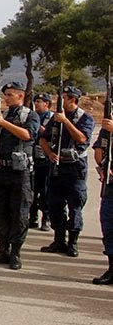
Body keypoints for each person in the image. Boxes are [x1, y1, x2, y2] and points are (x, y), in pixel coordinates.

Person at [0, 81, 40, 270]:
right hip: (1, 170)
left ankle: (15, 252)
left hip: (20, 172)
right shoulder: (2, 115)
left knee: (20, 212)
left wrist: (3, 123)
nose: (6, 98)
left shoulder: (29, 115)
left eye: (9, 95)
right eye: (5, 95)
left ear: (20, 96)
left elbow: (27, 135)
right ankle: (2, 249)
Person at [38, 85, 94, 258]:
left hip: (75, 169)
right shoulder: (55, 118)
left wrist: (66, 122)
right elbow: (43, 139)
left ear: (72, 99)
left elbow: (82, 138)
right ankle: (59, 240)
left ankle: (73, 242)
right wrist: (49, 153)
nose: (60, 102)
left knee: (75, 206)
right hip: (57, 168)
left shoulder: (85, 118)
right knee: (54, 204)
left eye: (64, 98)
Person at [92, 113, 113, 285]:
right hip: (111, 185)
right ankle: (112, 269)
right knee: (109, 226)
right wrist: (102, 167)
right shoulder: (108, 126)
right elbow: (99, 148)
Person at [30, 93, 54, 231]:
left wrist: (42, 129)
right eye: (36, 101)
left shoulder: (52, 118)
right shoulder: (32, 116)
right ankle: (32, 217)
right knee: (32, 190)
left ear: (47, 103)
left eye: (39, 101)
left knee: (45, 191)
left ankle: (46, 218)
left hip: (46, 160)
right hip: (33, 158)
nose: (37, 104)